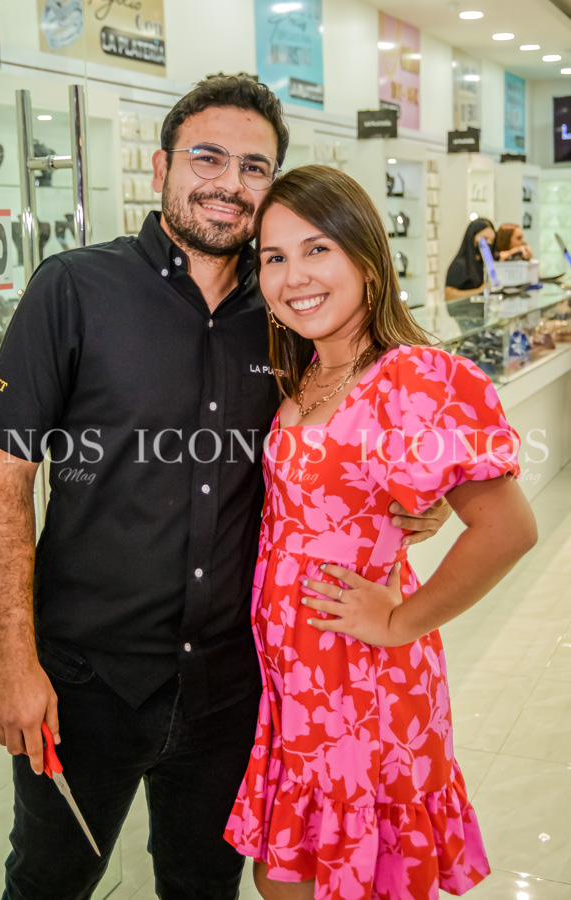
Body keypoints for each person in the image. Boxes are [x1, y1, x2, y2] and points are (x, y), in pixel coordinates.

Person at [0, 77, 450, 900]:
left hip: (236, 684)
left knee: (203, 884)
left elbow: (339, 437)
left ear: (275, 186)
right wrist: (12, 659)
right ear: (161, 166)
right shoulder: (75, 288)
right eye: (208, 157)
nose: (229, 183)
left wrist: (412, 496)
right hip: (87, 682)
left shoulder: (288, 313)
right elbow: (5, 475)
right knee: (48, 880)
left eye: (254, 166)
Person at [223, 165, 537, 900]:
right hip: (294, 681)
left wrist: (399, 621)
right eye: (274, 257)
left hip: (362, 682)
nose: (293, 275)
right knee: (288, 878)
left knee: (342, 880)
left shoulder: (416, 378)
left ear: (368, 258)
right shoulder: (304, 373)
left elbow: (509, 529)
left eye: (317, 249)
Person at [444, 217, 495, 302]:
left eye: (492, 240)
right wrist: (479, 291)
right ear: (472, 237)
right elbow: (448, 295)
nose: (488, 243)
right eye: (485, 238)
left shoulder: (484, 263)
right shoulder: (459, 265)